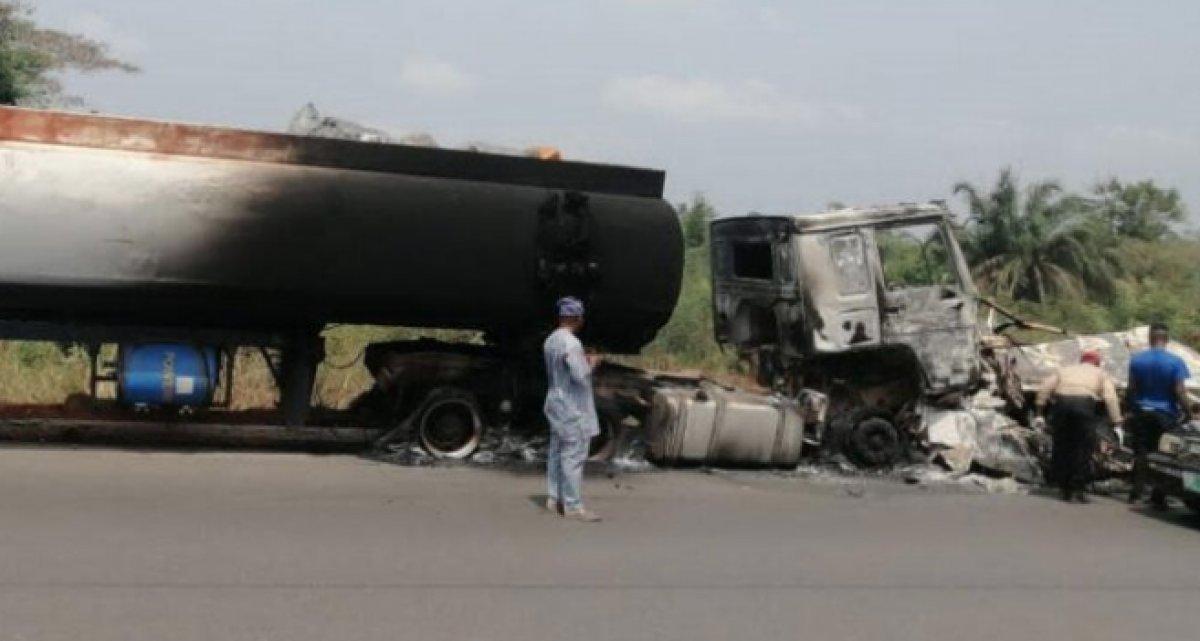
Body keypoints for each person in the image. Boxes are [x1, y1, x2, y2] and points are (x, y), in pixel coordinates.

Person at [542, 296, 602, 522]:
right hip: (571, 405)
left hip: (555, 400)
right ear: (578, 318)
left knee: (557, 451)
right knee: (574, 454)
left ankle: (553, 497)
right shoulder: (571, 343)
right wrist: (593, 362)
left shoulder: (551, 340)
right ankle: (573, 506)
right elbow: (580, 374)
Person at [1035, 349, 1121, 503]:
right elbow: (1110, 397)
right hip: (1084, 406)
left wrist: (1039, 413)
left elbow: (1044, 388)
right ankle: (1078, 488)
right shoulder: (1100, 373)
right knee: (1083, 448)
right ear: (1097, 363)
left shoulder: (1064, 370)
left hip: (1062, 405)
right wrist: (1117, 421)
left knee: (1062, 445)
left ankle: (1064, 486)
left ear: (1082, 361)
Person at [1127, 323, 1193, 507]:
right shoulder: (1175, 361)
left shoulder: (1137, 360)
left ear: (1150, 338)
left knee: (1141, 453)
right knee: (1165, 455)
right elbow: (1179, 391)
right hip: (1165, 414)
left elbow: (1131, 389)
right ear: (1167, 339)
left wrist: (1130, 411)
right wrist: (1188, 412)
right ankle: (1158, 497)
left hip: (1141, 411)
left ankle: (1136, 494)